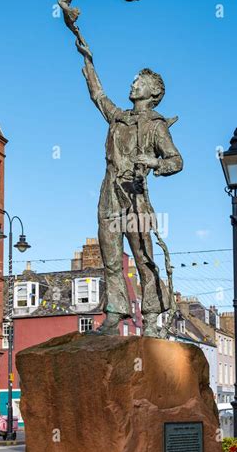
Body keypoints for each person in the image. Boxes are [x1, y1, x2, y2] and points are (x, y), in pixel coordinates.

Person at [76, 40, 183, 337]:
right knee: (110, 258)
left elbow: (176, 160)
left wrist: (153, 162)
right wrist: (88, 61)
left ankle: (150, 318)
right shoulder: (118, 117)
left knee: (143, 258)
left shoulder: (156, 126)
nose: (133, 84)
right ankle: (114, 313)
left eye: (139, 81)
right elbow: (99, 96)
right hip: (110, 194)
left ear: (153, 93)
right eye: (135, 80)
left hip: (136, 198)